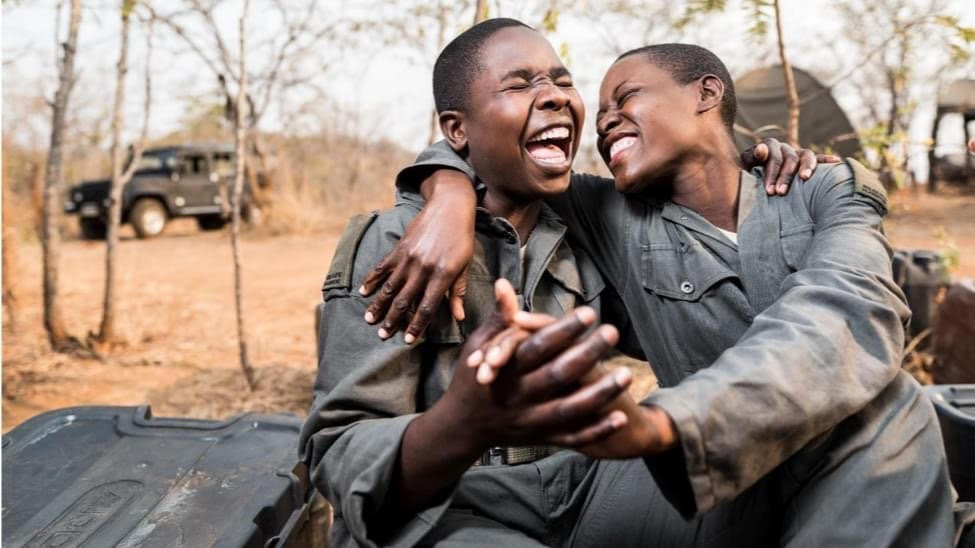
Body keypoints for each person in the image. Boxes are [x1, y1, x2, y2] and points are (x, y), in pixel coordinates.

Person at [366, 37, 961, 546]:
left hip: (789, 457)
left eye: (625, 98)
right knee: (890, 407)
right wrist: (445, 189)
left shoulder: (825, 187)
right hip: (716, 479)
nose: (603, 121)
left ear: (706, 94)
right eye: (599, 113)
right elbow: (496, 147)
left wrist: (666, 425)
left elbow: (849, 304)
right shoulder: (608, 214)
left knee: (880, 402)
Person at [300, 19, 823, 547]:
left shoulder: (592, 230)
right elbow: (337, 453)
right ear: (456, 131)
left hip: (582, 488)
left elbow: (718, 335)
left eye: (562, 81)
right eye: (520, 84)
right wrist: (463, 423)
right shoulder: (403, 242)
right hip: (448, 507)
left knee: (753, 469)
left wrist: (755, 181)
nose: (554, 97)